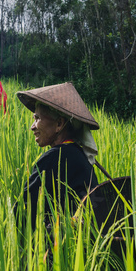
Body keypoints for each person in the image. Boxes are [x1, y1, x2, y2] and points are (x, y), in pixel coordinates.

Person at [16, 82, 101, 229]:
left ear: (59, 124)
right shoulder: (79, 155)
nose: (32, 126)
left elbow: (24, 212)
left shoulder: (55, 158)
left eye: (37, 119)